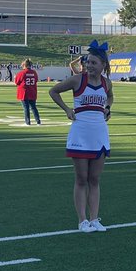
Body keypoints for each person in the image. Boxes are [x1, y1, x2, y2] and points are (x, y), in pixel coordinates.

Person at [49, 40, 112, 232]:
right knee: (81, 178)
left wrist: (108, 108)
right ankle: (82, 220)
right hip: (80, 132)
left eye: (94, 63)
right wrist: (67, 109)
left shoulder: (106, 82)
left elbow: (110, 97)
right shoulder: (78, 80)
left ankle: (94, 219)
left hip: (100, 133)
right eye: (88, 62)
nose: (89, 66)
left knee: (95, 179)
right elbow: (54, 91)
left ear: (103, 65)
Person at [15, 59, 41, 125]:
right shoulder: (34, 72)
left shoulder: (21, 73)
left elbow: (17, 82)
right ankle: (38, 121)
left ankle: (27, 122)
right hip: (32, 92)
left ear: (24, 65)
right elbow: (36, 80)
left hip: (24, 93)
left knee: (26, 108)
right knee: (33, 107)